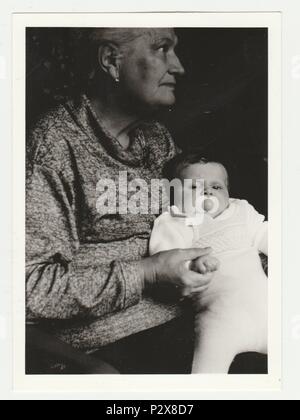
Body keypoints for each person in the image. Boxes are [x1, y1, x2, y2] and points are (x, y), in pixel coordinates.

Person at [26, 28, 216, 373]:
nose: (179, 66)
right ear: (112, 61)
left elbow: (192, 224)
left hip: (188, 320)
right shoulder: (54, 147)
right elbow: (28, 291)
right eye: (162, 49)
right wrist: (147, 274)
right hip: (110, 349)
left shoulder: (157, 139)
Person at [149, 153, 268, 373]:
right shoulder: (175, 219)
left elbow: (266, 235)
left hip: (269, 307)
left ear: (228, 192)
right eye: (194, 187)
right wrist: (193, 266)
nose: (207, 192)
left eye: (216, 186)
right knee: (208, 375)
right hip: (219, 317)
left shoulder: (241, 210)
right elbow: (167, 260)